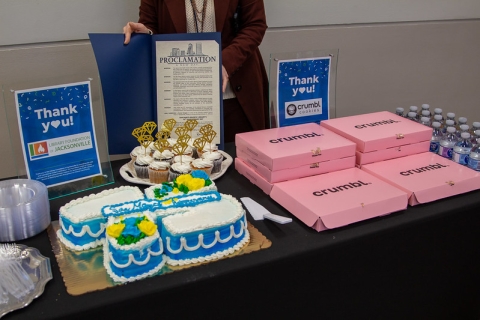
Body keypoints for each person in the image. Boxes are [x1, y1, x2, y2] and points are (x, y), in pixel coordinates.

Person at [123, 0, 270, 143]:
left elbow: (255, 25)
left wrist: (224, 62)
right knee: (183, 163)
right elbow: (151, 26)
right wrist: (145, 33)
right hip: (180, 101)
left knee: (239, 163)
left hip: (232, 94)